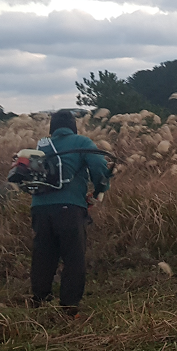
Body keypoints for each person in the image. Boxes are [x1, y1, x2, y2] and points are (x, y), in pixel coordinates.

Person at [30, 110, 110, 318]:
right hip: (69, 208)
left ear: (52, 128)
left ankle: (39, 300)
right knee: (73, 258)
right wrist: (99, 192)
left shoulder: (42, 145)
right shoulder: (81, 142)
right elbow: (100, 167)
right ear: (73, 126)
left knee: (43, 255)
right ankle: (69, 307)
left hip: (39, 208)